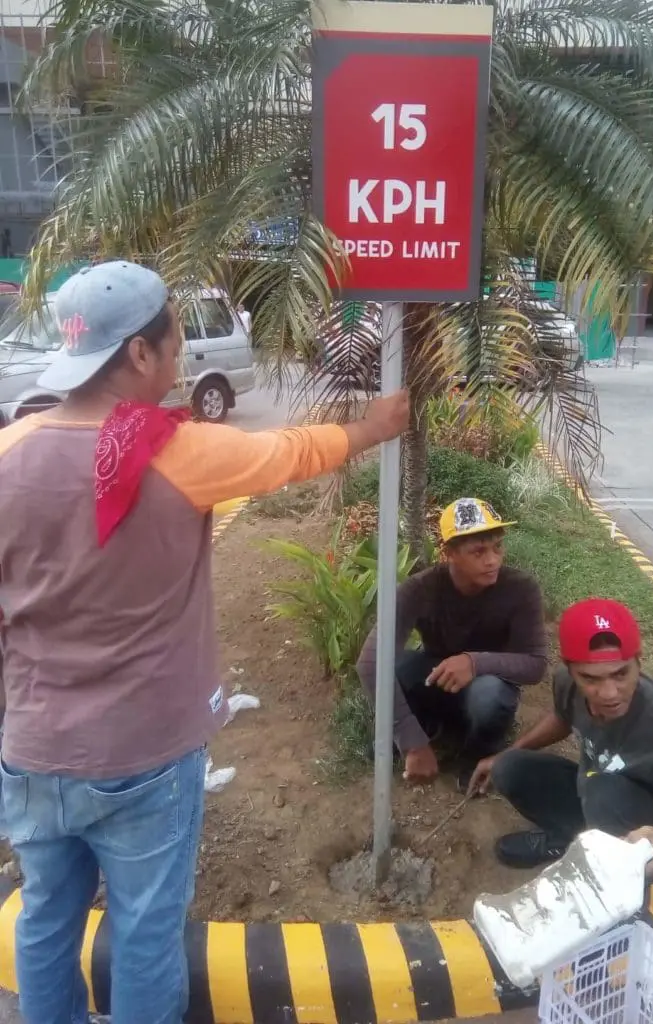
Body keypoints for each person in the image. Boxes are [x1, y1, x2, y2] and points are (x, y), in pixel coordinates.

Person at [0, 260, 409, 1024]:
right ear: (139, 356)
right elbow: (292, 452)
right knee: (148, 934)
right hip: (145, 755)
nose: (184, 350)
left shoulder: (10, 450)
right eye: (176, 337)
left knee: (45, 916)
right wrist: (375, 426)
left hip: (32, 751)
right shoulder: (177, 453)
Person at [469, 598, 653, 881]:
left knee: (602, 792)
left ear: (639, 661)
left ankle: (618, 883)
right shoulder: (567, 683)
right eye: (590, 679)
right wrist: (507, 752)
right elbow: (563, 718)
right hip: (599, 795)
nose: (609, 693)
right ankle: (571, 842)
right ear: (571, 670)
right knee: (510, 767)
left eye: (620, 674)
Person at [357, 497, 546, 785]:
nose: (492, 559)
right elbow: (370, 662)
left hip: (486, 683)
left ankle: (478, 753)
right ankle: (423, 727)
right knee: (393, 667)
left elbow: (535, 665)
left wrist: (474, 662)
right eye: (478, 551)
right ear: (449, 554)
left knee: (490, 696)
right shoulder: (420, 588)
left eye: (497, 547)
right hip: (437, 676)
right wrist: (411, 740)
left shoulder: (521, 589)